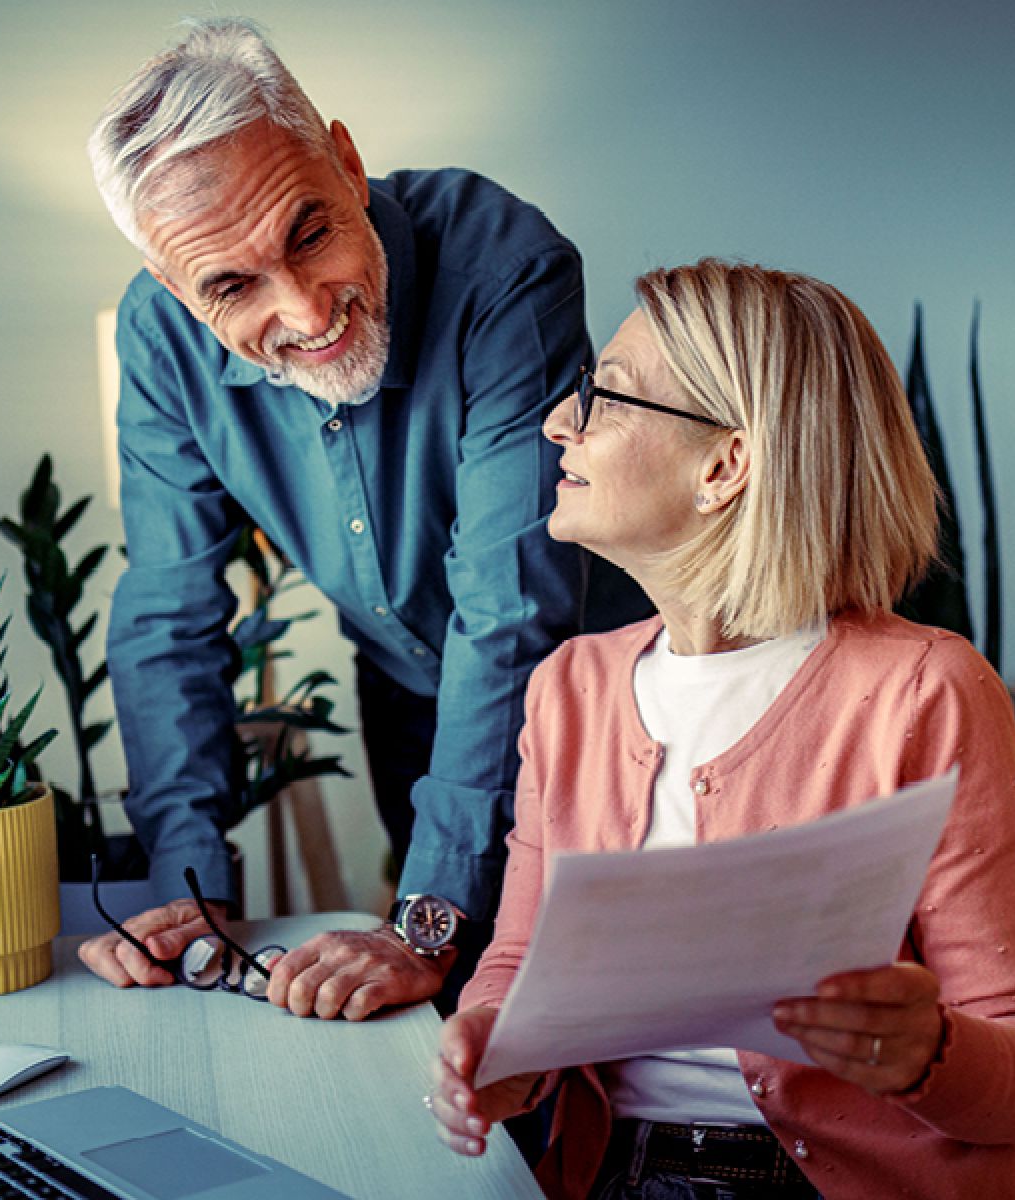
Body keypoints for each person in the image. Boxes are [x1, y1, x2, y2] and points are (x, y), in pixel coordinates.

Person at [428, 261, 1015, 1198]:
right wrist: (493, 1046)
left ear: (725, 465)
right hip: (617, 1173)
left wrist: (929, 1054)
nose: (556, 424)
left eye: (602, 396)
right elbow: (520, 964)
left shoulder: (926, 689)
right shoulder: (568, 690)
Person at [76, 18, 644, 1020]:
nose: (304, 310)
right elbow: (169, 611)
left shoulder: (503, 263)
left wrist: (423, 914)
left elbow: (510, 607)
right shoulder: (158, 341)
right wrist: (189, 888)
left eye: (309, 233)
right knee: (453, 1022)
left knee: (601, 1019)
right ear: (173, 289)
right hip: (409, 704)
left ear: (346, 161)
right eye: (231, 285)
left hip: (603, 698)